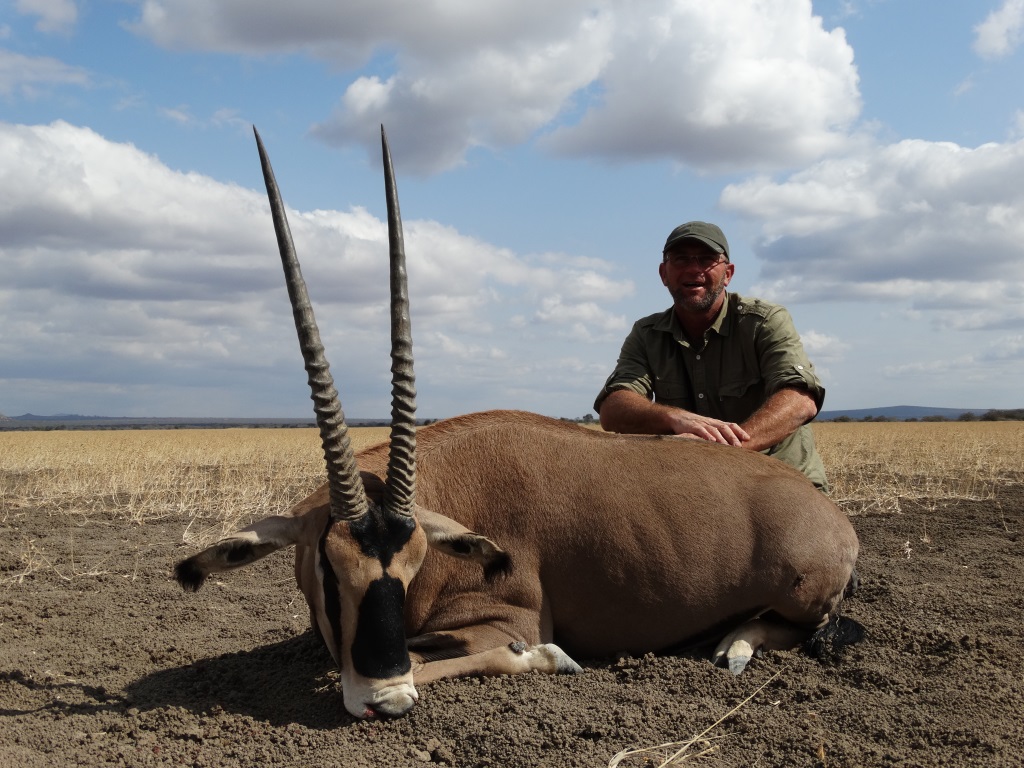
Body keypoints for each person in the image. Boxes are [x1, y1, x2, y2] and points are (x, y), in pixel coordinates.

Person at [593, 221, 829, 489]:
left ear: (728, 273)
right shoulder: (647, 334)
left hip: (778, 481)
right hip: (697, 486)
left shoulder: (764, 321)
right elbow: (613, 409)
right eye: (681, 259)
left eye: (706, 260)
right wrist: (674, 418)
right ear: (663, 274)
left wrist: (724, 448)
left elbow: (801, 400)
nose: (694, 269)